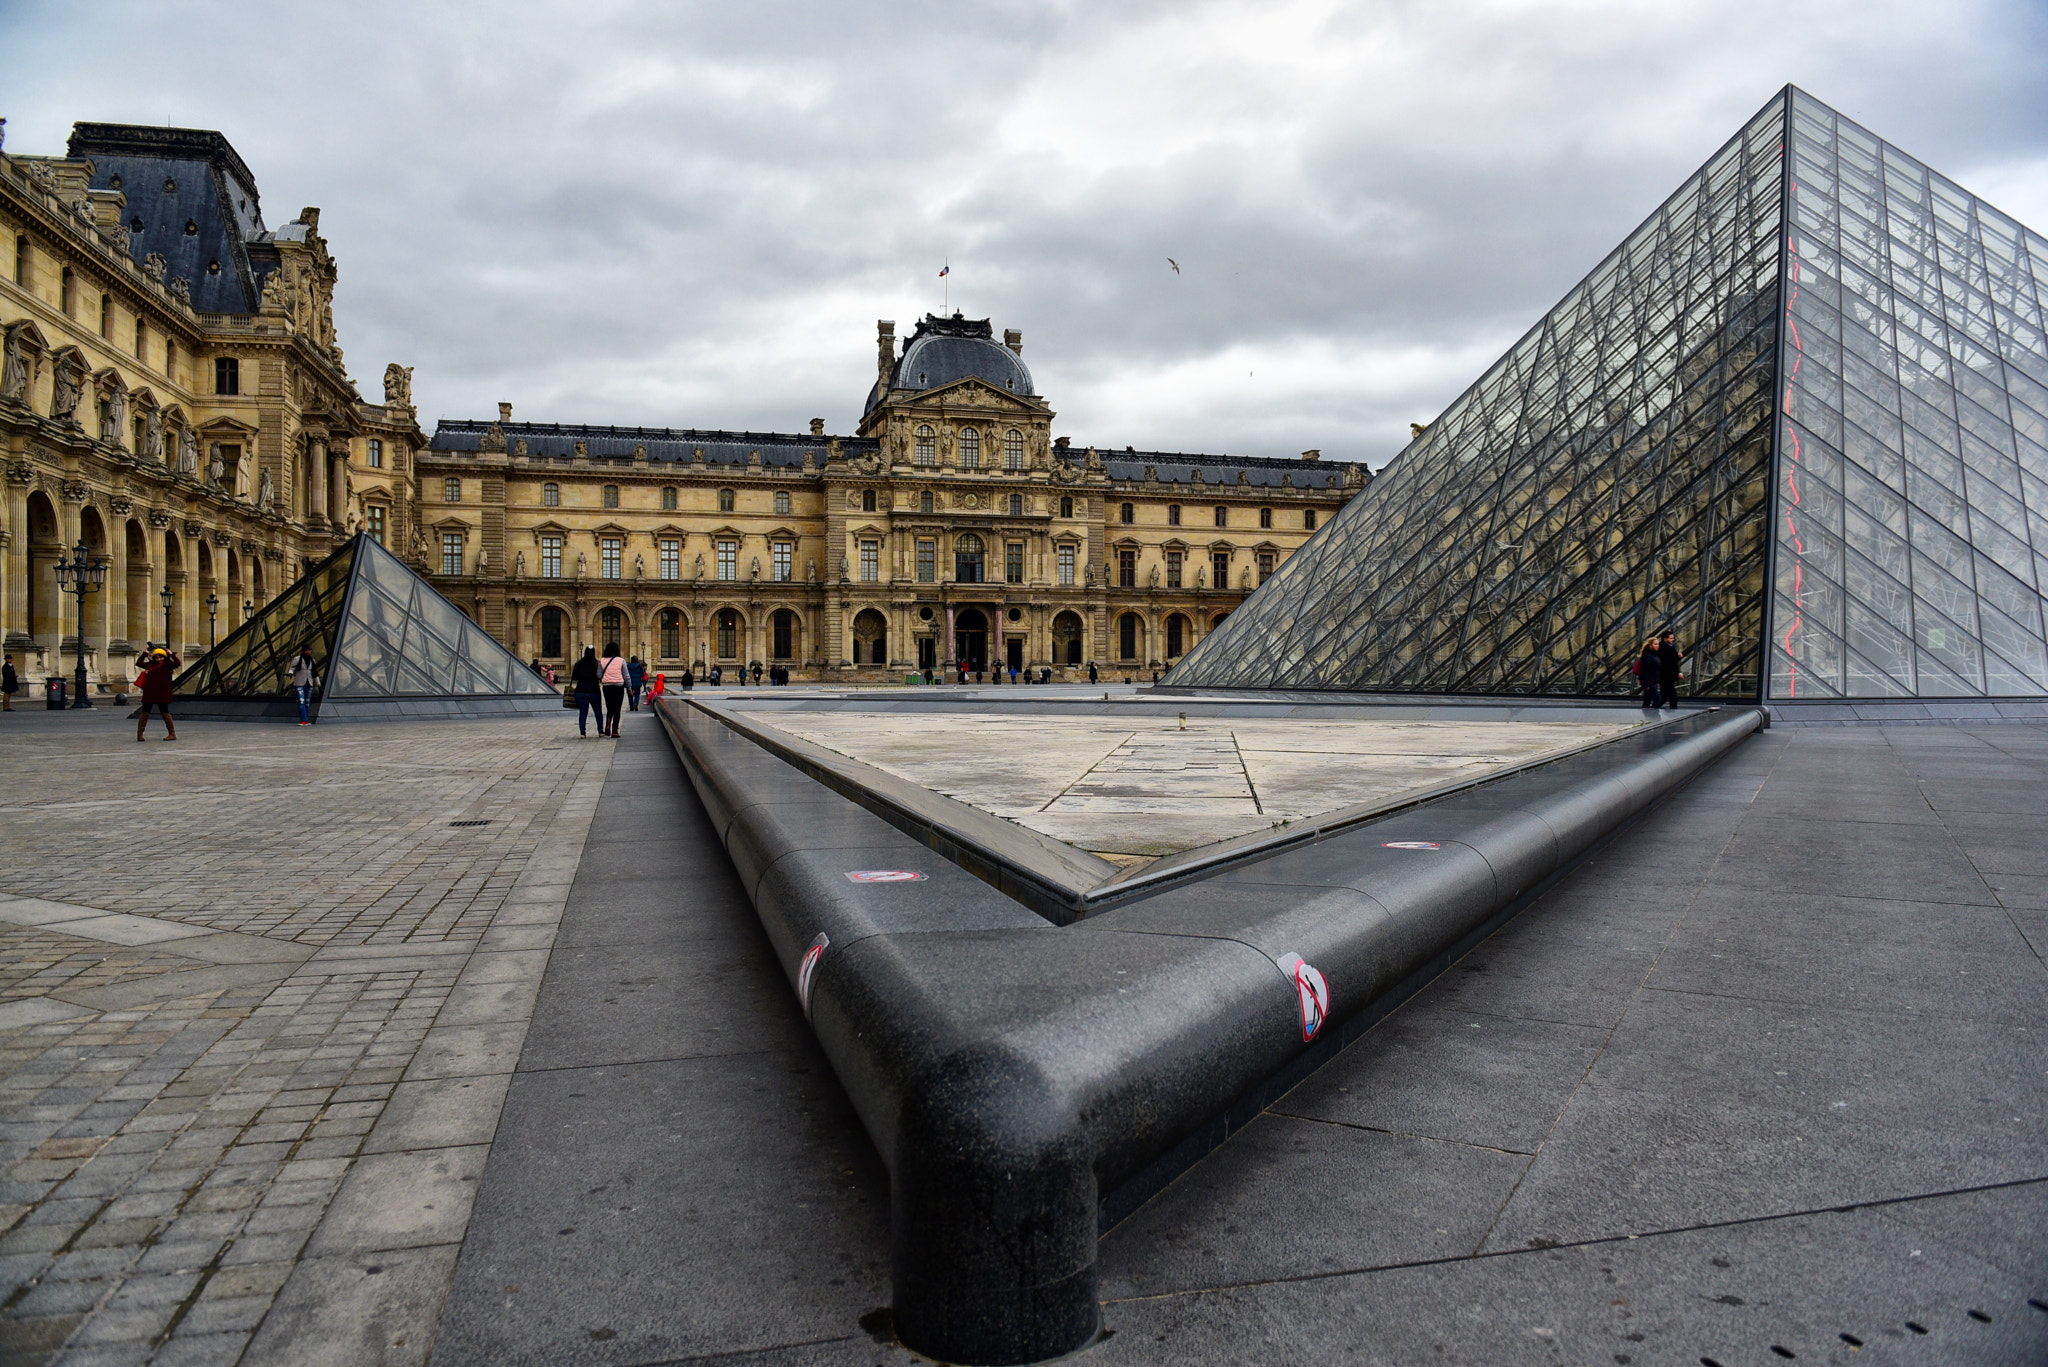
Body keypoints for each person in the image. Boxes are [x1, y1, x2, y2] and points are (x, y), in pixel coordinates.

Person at [136, 647, 180, 741]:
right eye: (156, 657)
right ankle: (140, 734)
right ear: (153, 658)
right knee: (145, 712)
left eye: (161, 657)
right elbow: (139, 663)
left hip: (162, 692)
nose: (159, 659)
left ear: (164, 657)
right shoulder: (150, 665)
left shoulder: (168, 665)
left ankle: (172, 733)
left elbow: (177, 663)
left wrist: (171, 654)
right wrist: (145, 653)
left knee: (165, 712)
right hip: (150, 691)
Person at [571, 646, 602, 737]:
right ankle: (600, 731)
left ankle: (582, 733)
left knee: (583, 712)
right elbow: (599, 676)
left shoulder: (579, 664)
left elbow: (574, 677)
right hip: (594, 690)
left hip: (581, 690)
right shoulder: (596, 664)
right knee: (598, 712)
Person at [599, 644, 628, 738]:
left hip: (607, 686)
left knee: (609, 707)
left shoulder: (602, 661)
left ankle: (607, 726)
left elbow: (598, 675)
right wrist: (629, 687)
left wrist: (607, 677)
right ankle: (614, 730)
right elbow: (626, 675)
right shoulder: (621, 660)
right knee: (617, 709)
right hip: (618, 686)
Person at [289, 646, 320, 726]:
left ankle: (305, 719)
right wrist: (290, 673)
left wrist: (318, 684)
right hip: (299, 682)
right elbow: (292, 667)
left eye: (309, 650)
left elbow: (315, 672)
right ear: (303, 651)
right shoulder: (297, 659)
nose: (308, 652)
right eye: (306, 650)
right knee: (301, 701)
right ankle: (303, 719)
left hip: (309, 682)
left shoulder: (312, 660)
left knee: (307, 702)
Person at [1657, 632, 1684, 708]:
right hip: (1666, 676)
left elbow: (1672, 661)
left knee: (1664, 696)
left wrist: (1678, 657)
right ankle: (1673, 709)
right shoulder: (1664, 648)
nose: (1673, 640)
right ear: (1665, 639)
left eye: (1673, 638)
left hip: (1667, 676)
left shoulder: (1669, 647)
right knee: (1672, 696)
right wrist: (1677, 673)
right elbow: (1668, 663)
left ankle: (1654, 708)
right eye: (1671, 638)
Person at [1635, 637, 1663, 708]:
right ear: (1650, 645)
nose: (1657, 646)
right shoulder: (1647, 656)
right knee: (1658, 699)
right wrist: (1647, 684)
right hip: (1649, 682)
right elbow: (1645, 670)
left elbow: (1656, 670)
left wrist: (1657, 682)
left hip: (1652, 681)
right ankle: (1653, 716)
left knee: (1648, 700)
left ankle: (1648, 715)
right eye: (1655, 644)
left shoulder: (1655, 655)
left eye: (1658, 644)